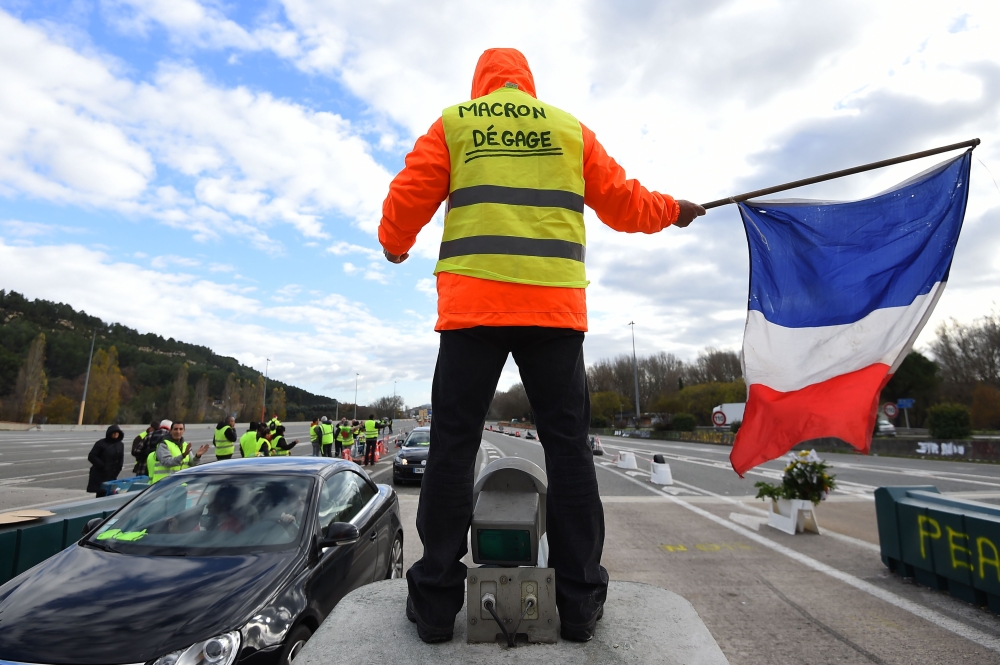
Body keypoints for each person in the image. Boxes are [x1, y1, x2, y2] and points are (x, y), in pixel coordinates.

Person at [377, 48, 704, 643]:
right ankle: (579, 605)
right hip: (553, 314)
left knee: (452, 448)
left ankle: (433, 608)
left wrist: (394, 244)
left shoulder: (456, 123)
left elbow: (407, 198)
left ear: (481, 83)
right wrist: (673, 211)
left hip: (473, 313)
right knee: (570, 452)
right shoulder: (568, 130)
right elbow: (625, 201)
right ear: (529, 83)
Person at [87, 424, 124, 497]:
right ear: (109, 433)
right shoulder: (101, 443)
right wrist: (102, 466)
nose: (116, 434)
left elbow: (121, 457)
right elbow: (91, 456)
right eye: (114, 432)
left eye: (117, 432)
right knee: (101, 494)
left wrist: (119, 467)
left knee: (111, 494)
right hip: (101, 475)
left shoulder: (120, 444)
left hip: (113, 474)